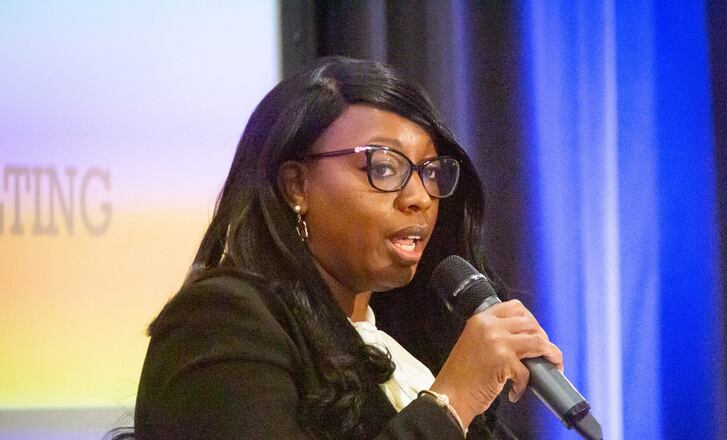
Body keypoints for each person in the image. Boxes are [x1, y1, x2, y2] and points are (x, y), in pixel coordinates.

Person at [125, 56, 562, 439]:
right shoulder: (220, 321)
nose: (420, 197)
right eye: (385, 167)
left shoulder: (406, 350)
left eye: (428, 171)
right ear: (297, 185)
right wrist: (452, 400)